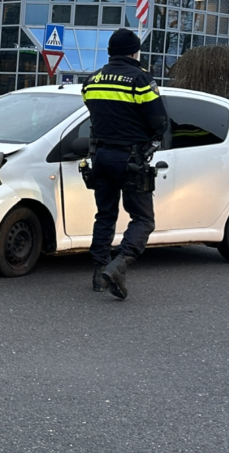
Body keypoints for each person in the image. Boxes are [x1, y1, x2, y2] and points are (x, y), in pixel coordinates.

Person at [81, 28, 168, 299]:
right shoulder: (140, 80)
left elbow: (94, 113)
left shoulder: (92, 80)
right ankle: (119, 264)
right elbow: (159, 121)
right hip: (130, 159)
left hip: (101, 156)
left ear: (110, 51)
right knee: (143, 218)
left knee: (105, 215)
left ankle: (99, 273)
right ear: (134, 51)